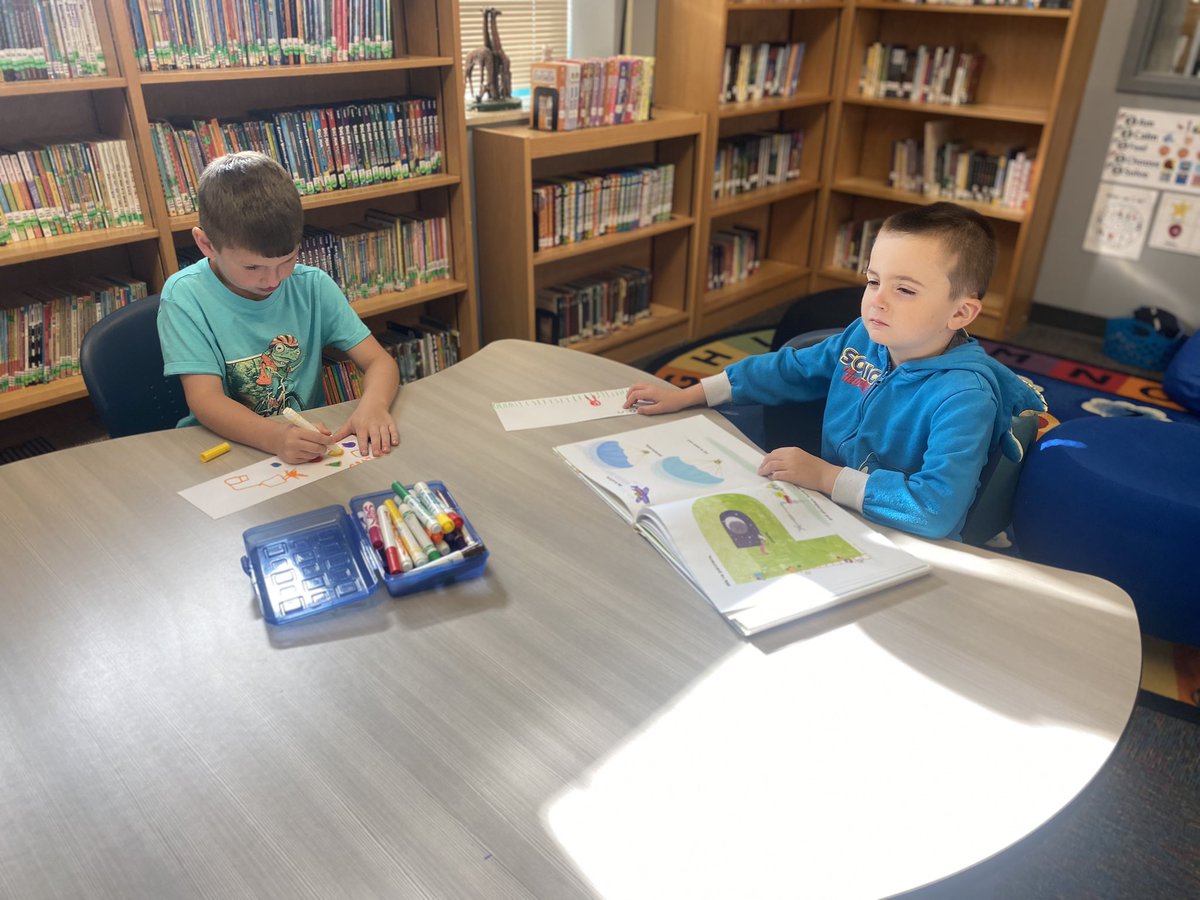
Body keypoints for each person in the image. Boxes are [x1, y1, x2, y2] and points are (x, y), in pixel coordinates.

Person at [624, 202, 1045, 540]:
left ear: (961, 312)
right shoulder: (864, 337)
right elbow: (789, 369)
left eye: (904, 290)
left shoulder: (964, 397)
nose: (877, 301)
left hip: (910, 539)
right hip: (839, 510)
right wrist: (690, 394)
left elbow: (935, 512)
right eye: (873, 280)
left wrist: (827, 477)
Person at [158, 151, 400, 464]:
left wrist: (373, 405)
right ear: (206, 245)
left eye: (287, 260)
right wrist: (273, 436)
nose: (273, 279)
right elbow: (206, 400)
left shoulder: (312, 285)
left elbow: (380, 362)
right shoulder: (185, 296)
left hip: (299, 449)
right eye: (252, 267)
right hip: (225, 451)